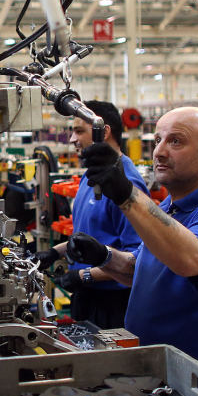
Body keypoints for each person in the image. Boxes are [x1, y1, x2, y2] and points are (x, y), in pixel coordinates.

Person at [72, 106, 198, 392]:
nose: (159, 152)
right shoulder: (169, 207)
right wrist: (105, 257)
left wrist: (126, 194)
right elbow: (146, 272)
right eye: (157, 140)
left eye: (175, 141)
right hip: (163, 377)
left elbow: (191, 260)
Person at [33, 101, 144, 330]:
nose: (72, 139)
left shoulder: (128, 185)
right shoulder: (90, 175)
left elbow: (137, 261)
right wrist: (55, 252)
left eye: (79, 131)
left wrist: (84, 275)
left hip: (113, 303)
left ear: (103, 132)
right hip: (86, 296)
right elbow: (89, 236)